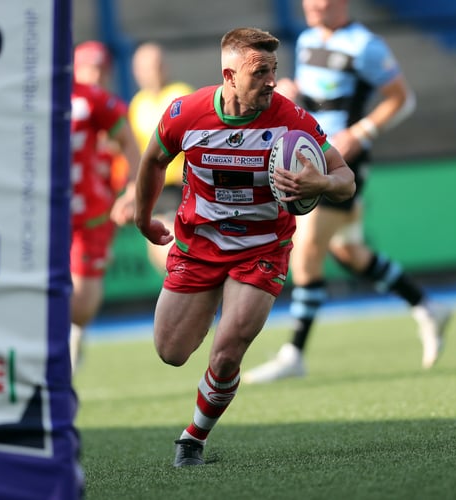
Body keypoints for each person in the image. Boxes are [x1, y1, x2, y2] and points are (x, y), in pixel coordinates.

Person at [110, 27, 355, 467]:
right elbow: (151, 161)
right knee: (171, 352)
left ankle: (193, 438)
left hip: (261, 249)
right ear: (229, 74)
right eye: (259, 72)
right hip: (198, 245)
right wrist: (144, 218)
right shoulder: (187, 113)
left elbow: (345, 177)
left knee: (226, 351)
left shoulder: (290, 119)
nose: (271, 81)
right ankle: (205, 308)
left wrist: (319, 182)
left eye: (273, 71)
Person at [242, 0, 451, 384]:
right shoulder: (306, 40)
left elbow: (402, 98)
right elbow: (319, 99)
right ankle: (426, 305)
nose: (310, 6)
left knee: (305, 252)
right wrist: (293, 92)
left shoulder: (365, 45)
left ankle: (294, 353)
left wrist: (360, 133)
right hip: (313, 154)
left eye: (318, 0)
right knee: (348, 251)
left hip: (341, 166)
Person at [70, 41, 141, 371]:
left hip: (91, 209)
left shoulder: (99, 103)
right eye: (89, 67)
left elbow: (129, 145)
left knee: (82, 299)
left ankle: (74, 333)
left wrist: (132, 189)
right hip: (41, 213)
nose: (95, 74)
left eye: (100, 68)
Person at [127, 42, 195, 273]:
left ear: (164, 67)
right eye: (142, 68)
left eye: (154, 66)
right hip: (158, 188)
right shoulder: (137, 105)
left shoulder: (180, 94)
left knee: (176, 250)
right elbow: (135, 152)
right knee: (163, 253)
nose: (149, 73)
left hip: (185, 186)